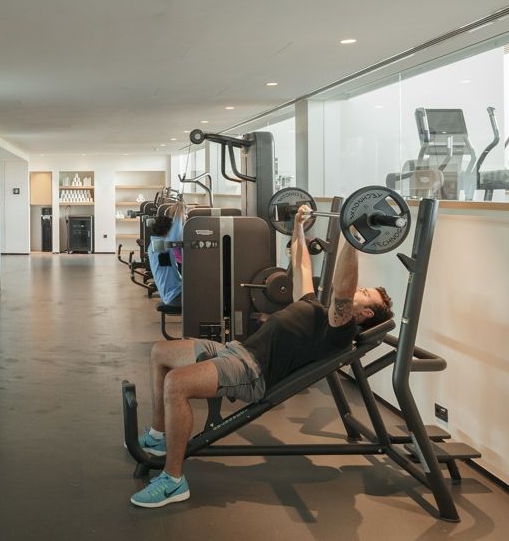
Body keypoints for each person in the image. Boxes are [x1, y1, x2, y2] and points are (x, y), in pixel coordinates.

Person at [129, 204, 392, 508]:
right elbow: (303, 267)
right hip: (238, 350)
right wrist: (298, 227)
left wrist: (353, 237)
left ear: (367, 312)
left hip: (252, 370)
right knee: (160, 352)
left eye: (366, 292)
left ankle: (173, 480)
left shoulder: (339, 330)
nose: (360, 288)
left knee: (176, 383)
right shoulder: (314, 307)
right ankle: (161, 435)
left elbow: (343, 290)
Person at [146, 212, 181, 308]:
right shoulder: (161, 246)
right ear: (167, 231)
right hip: (175, 296)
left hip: (172, 294)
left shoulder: (155, 244)